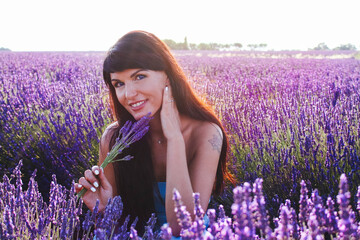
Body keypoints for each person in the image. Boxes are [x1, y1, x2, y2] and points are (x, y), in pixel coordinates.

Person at [75, 30, 233, 237]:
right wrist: (104, 210)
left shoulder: (206, 134)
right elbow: (116, 225)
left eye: (139, 77)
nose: (129, 94)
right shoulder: (114, 138)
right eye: (119, 84)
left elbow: (183, 227)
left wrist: (174, 138)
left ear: (167, 76)